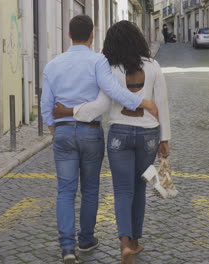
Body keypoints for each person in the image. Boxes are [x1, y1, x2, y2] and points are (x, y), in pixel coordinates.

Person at [41, 15, 159, 264]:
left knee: (65, 190)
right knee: (90, 189)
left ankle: (67, 248)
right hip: (90, 132)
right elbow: (114, 92)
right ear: (92, 35)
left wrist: (55, 129)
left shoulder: (52, 65)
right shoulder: (98, 62)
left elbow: (46, 106)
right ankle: (86, 240)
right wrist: (142, 102)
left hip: (62, 131)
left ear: (69, 35)